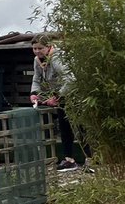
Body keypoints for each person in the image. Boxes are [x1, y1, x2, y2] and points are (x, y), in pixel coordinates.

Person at [30, 33, 87, 171]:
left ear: (48, 46)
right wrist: (34, 93)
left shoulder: (57, 59)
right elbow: (36, 79)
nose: (37, 51)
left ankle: (90, 159)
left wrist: (57, 96)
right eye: (34, 48)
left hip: (72, 93)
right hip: (60, 95)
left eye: (40, 48)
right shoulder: (37, 60)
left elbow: (71, 79)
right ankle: (69, 160)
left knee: (79, 127)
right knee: (64, 126)